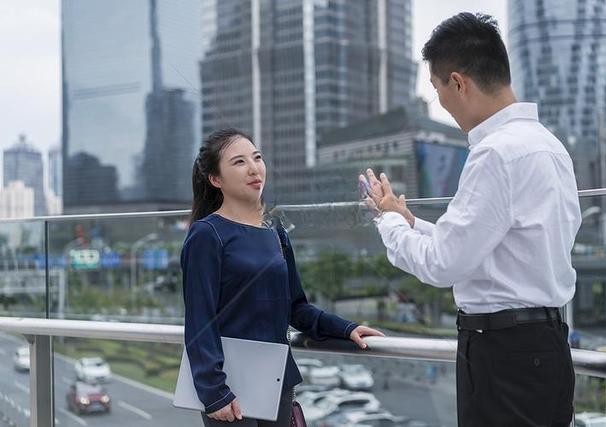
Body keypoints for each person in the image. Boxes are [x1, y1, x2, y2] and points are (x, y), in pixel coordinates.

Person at [360, 12, 581, 427]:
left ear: (458, 82)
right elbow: (493, 243)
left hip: (502, 355)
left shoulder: (494, 153)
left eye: (438, 88)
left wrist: (388, 222)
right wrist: (408, 220)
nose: (441, 102)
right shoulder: (549, 146)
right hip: (547, 348)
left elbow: (443, 264)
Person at [181, 128, 383, 426]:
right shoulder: (207, 235)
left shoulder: (274, 233)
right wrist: (213, 391)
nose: (254, 168)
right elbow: (200, 319)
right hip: (228, 387)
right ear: (216, 179)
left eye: (257, 157)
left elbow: (295, 307)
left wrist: (345, 328)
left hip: (277, 379)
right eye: (239, 162)